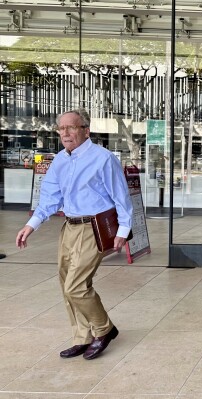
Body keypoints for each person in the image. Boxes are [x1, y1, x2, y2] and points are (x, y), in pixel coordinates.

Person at [15, 108, 133, 360]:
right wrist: (31, 225)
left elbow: (121, 197)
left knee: (76, 286)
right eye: (61, 128)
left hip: (94, 228)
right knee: (65, 283)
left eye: (71, 127)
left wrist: (123, 230)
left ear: (85, 130)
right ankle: (82, 336)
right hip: (69, 226)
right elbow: (49, 198)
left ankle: (104, 330)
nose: (65, 133)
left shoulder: (103, 158)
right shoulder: (59, 160)